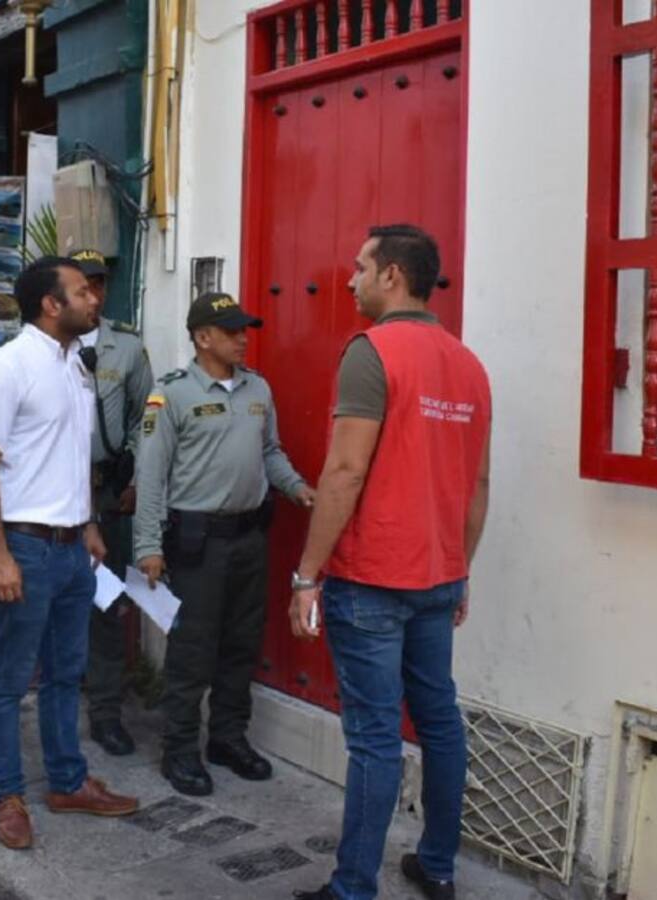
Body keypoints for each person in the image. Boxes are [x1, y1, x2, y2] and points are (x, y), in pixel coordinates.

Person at [288, 225, 492, 900]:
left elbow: (345, 469)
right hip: (436, 576)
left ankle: (352, 889)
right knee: (439, 720)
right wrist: (459, 567)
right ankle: (437, 867)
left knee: (375, 740)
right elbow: (478, 484)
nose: (349, 279)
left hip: (372, 579)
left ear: (393, 276)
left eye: (360, 267)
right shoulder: (468, 364)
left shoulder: (371, 353)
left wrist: (306, 574)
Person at [0, 256, 139, 851]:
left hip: (70, 550)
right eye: (82, 292)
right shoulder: (7, 368)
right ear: (50, 304)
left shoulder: (75, 366)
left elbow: (72, 455)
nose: (94, 300)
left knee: (68, 673)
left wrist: (88, 522)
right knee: (9, 678)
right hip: (24, 546)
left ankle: (67, 781)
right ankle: (7, 793)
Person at [134, 291, 315, 797]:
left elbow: (271, 452)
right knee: (192, 651)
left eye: (244, 329)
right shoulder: (171, 394)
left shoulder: (258, 388)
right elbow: (150, 475)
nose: (242, 338)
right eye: (232, 330)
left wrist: (296, 486)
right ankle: (180, 749)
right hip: (197, 543)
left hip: (249, 538)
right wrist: (148, 544)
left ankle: (229, 738)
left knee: (242, 644)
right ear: (202, 337)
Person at [73, 248, 153, 756]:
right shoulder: (42, 346)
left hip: (104, 491)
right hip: (51, 497)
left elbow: (150, 416)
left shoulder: (126, 348)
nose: (94, 295)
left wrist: (137, 476)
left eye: (99, 284)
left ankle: (105, 711)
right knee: (36, 602)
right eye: (84, 285)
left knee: (106, 602)